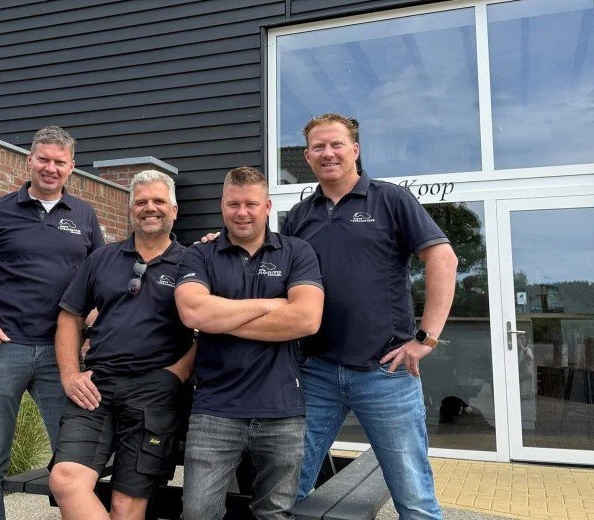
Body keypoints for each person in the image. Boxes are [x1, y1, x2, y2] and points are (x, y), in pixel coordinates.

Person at [284, 113, 458, 518]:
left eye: (337, 144)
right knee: (285, 489)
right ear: (307, 156)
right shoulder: (299, 215)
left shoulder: (391, 199)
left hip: (385, 372)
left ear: (355, 150)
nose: (328, 153)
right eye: (318, 147)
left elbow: (443, 258)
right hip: (316, 372)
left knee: (415, 499)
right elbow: (274, 273)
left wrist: (425, 338)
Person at [0, 126, 104, 520]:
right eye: (44, 159)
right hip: (3, 350)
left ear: (71, 167)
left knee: (73, 457)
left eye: (59, 162)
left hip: (62, 355)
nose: (50, 168)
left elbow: (99, 280)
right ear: (30, 160)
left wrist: (94, 327)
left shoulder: (85, 215)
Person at [175, 166, 324, 520]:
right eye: (234, 204)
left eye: (251, 204)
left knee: (274, 514)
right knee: (197, 513)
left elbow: (306, 319)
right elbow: (193, 312)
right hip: (215, 409)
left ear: (267, 206)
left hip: (281, 409)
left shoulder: (296, 251)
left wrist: (221, 319)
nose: (242, 213)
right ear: (222, 205)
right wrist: (272, 305)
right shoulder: (200, 254)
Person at [49, 170, 195, 520]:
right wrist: (70, 375)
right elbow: (69, 316)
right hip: (97, 388)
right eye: (141, 202)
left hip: (154, 393)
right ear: (131, 210)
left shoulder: (193, 262)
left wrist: (176, 375)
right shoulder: (102, 258)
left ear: (174, 209)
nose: (150, 208)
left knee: (125, 506)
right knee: (66, 480)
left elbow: (208, 330)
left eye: (159, 201)